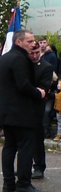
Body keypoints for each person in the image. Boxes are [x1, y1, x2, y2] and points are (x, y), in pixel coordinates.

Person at [0, 29, 48, 192]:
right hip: (20, 111)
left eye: (33, 41)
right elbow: (23, 85)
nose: (33, 44)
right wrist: (39, 93)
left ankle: (8, 183)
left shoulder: (4, 58)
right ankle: (24, 184)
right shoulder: (20, 58)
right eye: (29, 41)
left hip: (5, 110)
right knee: (25, 147)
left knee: (10, 146)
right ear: (19, 42)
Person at [29, 46, 56, 180]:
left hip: (36, 106)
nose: (34, 56)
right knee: (23, 139)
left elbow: (43, 87)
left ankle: (39, 166)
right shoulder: (23, 64)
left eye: (37, 53)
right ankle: (25, 166)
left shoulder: (46, 66)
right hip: (22, 107)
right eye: (31, 53)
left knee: (37, 138)